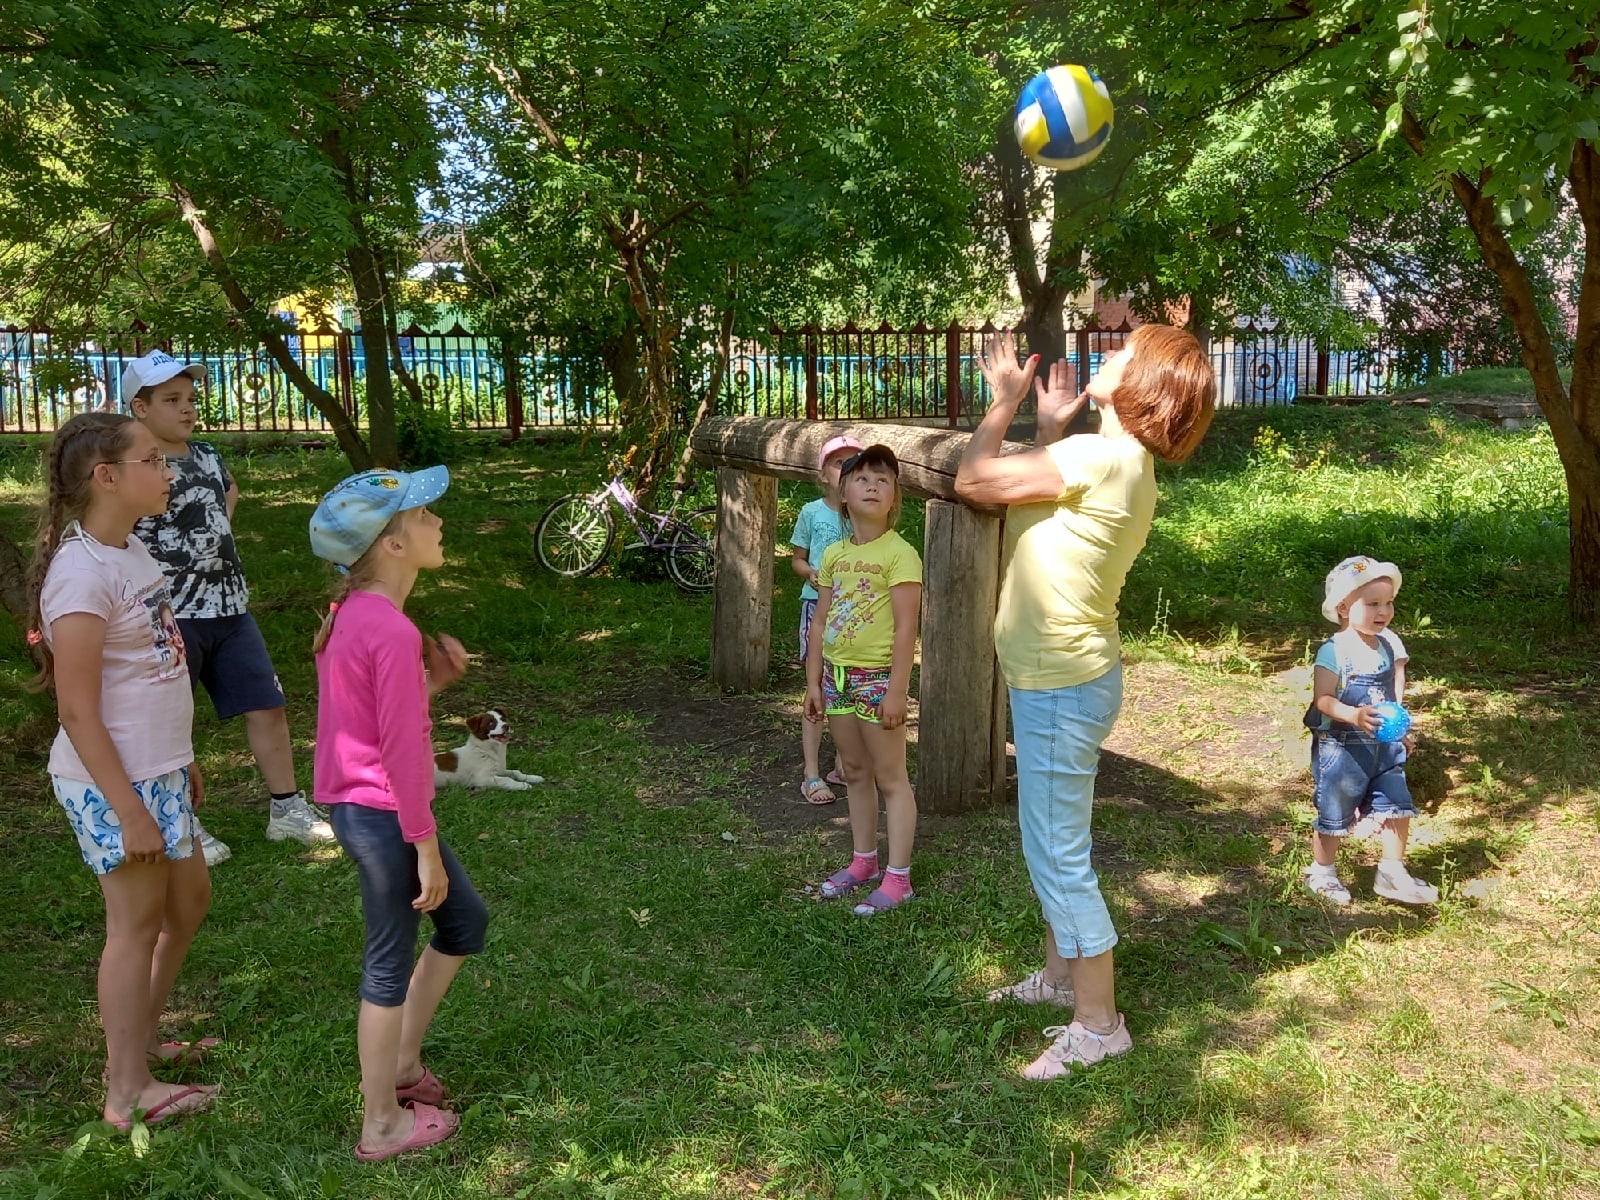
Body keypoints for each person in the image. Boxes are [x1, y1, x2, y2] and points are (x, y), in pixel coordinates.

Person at [957, 326, 1215, 1078]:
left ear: (1147, 382)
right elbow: (1052, 507)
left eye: (1125, 353)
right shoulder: (1115, 461)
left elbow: (976, 481)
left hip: (1061, 687)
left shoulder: (1099, 458)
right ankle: (1061, 977)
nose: (1109, 357)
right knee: (1052, 839)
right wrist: (1047, 429)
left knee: (1056, 851)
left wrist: (1002, 403)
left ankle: (1100, 1025)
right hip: (1068, 680)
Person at [27, 412, 218, 1129]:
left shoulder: (129, 550)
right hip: (116, 782)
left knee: (187, 902)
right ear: (107, 477)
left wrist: (181, 760)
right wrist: (131, 807)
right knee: (133, 926)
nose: (167, 469)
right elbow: (77, 712)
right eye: (151, 459)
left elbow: (152, 668)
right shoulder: (79, 576)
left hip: (155, 769)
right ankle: (125, 1090)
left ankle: (136, 1045)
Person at [309, 466, 487, 1162]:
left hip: (366, 807)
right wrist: (426, 847)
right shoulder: (385, 627)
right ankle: (381, 1121)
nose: (437, 522)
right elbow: (402, 758)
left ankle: (405, 1065)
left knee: (465, 921)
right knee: (388, 965)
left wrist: (428, 681)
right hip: (383, 816)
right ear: (392, 545)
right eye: (422, 515)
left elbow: (372, 715)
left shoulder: (360, 616)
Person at [123, 349, 333, 865]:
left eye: (190, 399)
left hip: (231, 608)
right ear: (140, 408)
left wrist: (215, 531)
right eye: (171, 400)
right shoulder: (132, 466)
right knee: (174, 719)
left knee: (268, 703)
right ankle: (182, 820)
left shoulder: (208, 454)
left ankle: (287, 809)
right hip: (169, 614)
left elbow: (227, 490)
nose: (187, 409)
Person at [804, 444, 923, 916]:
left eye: (883, 480)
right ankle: (863, 862)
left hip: (877, 681)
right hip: (835, 679)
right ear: (842, 494)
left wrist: (897, 689)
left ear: (894, 498)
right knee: (853, 771)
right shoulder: (833, 553)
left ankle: (899, 877)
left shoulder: (900, 554)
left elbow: (907, 627)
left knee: (891, 777)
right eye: (861, 478)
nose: (872, 486)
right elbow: (820, 621)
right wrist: (814, 682)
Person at [1302, 556, 1436, 905]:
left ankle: (1392, 871)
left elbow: (1390, 693)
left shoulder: (1387, 644)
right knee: (1335, 811)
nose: (1384, 611)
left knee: (1397, 805)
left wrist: (1400, 729)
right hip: (1343, 748)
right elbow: (1323, 700)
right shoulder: (1335, 651)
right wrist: (1355, 714)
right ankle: (1322, 871)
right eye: (1372, 603)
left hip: (1382, 745)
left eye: (1389, 603)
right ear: (1344, 607)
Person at [790, 435, 861, 805]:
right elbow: (796, 559)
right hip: (816, 608)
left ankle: (844, 765)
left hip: (855, 614)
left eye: (854, 464)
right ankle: (811, 772)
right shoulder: (811, 513)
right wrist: (810, 573)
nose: (846, 470)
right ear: (823, 474)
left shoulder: (865, 515)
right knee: (816, 687)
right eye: (838, 463)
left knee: (847, 685)